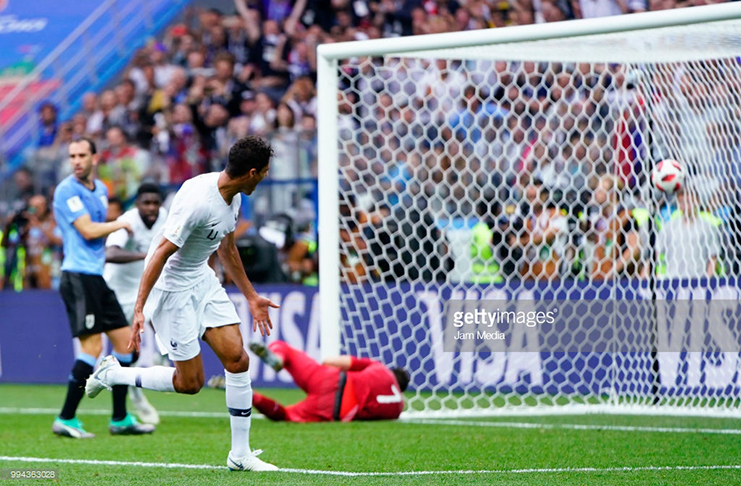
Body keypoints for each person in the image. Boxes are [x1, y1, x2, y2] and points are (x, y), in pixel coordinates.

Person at [86, 136, 279, 472]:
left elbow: (227, 248)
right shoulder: (199, 201)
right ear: (250, 172)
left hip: (202, 281)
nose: (264, 177)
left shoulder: (232, 197)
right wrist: (139, 310)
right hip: (172, 289)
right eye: (263, 172)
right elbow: (159, 252)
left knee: (237, 360)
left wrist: (251, 296)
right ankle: (115, 373)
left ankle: (240, 454)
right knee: (189, 384)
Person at [51, 138, 154, 438]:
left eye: (82, 155)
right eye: (72, 156)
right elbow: (87, 229)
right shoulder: (66, 190)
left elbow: (96, 233)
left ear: (95, 158)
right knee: (93, 348)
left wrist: (113, 225)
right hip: (77, 277)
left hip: (97, 277)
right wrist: (119, 224)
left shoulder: (101, 190)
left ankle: (120, 418)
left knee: (125, 344)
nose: (76, 161)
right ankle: (66, 418)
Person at [103, 183, 168, 425]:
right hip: (118, 291)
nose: (151, 208)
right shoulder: (127, 221)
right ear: (137, 204)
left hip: (146, 287)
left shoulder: (166, 217)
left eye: (155, 202)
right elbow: (110, 253)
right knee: (127, 348)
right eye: (146, 203)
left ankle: (163, 357)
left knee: (162, 316)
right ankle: (135, 392)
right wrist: (147, 256)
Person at [248, 340, 410, 423]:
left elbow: (330, 362)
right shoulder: (397, 408)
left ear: (392, 371)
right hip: (336, 410)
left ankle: (278, 358)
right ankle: (250, 396)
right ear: (400, 390)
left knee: (286, 349)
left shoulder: (380, 368)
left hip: (333, 379)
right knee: (287, 415)